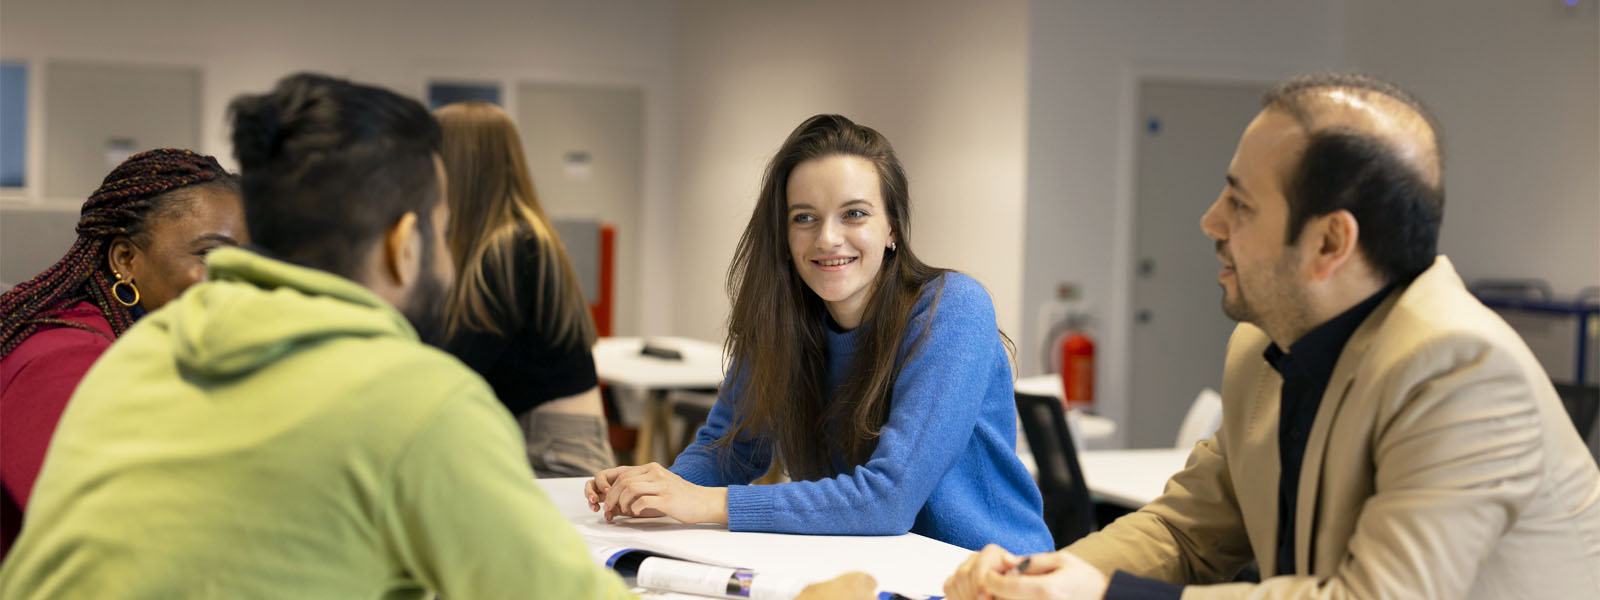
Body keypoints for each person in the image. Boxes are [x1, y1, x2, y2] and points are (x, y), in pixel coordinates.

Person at [943, 73, 1600, 599]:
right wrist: (1034, 578)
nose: (1210, 221)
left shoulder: (1462, 368)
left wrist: (1110, 595)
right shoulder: (1266, 345)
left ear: (1329, 242)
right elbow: (1187, 532)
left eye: (1241, 204)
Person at [585, 114, 1054, 555]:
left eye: (854, 214)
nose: (827, 238)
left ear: (892, 227)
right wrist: (653, 491)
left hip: (991, 578)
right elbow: (728, 449)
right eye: (804, 217)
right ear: (785, 236)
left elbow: (888, 499)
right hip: (865, 569)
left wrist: (708, 504)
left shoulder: (951, 309)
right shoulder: (782, 318)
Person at [0, 149, 245, 558]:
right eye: (211, 255)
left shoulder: (138, 344)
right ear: (125, 259)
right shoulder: (66, 364)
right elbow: (111, 546)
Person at [434, 101, 615, 478]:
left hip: (557, 454)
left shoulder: (514, 246)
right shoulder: (496, 244)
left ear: (457, 166)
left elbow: (456, 365)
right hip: (525, 438)